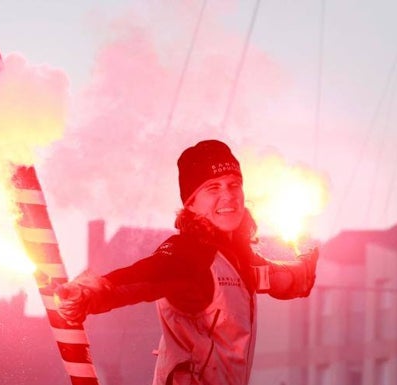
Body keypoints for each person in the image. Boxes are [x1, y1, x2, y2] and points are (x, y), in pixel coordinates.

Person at [56, 139, 319, 385]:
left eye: (233, 184)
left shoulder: (239, 259)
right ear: (191, 204)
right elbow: (148, 274)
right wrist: (91, 292)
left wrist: (304, 267)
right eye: (213, 188)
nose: (228, 195)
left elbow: (280, 278)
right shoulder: (189, 253)